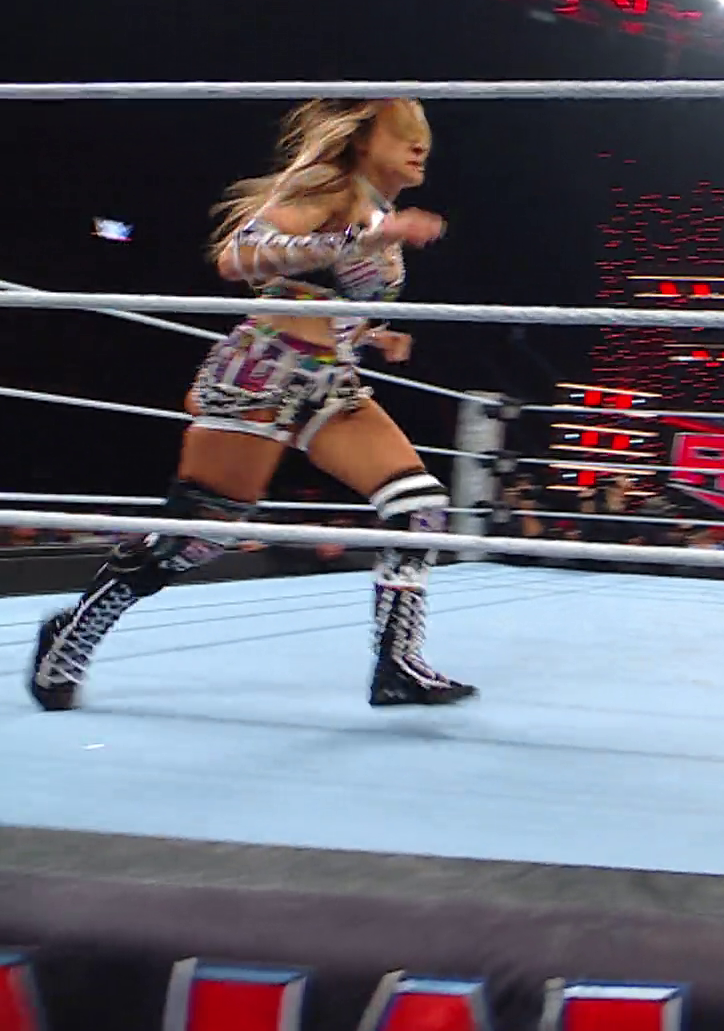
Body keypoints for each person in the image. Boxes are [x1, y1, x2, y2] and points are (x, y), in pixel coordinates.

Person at [29, 98, 476, 711]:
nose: (419, 146)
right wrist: (363, 237)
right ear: (362, 140)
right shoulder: (330, 190)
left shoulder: (380, 212)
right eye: (403, 134)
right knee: (197, 537)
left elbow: (316, 297)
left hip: (329, 382)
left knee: (417, 504)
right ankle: (74, 630)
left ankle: (397, 663)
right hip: (260, 376)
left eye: (423, 136)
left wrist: (372, 335)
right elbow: (239, 255)